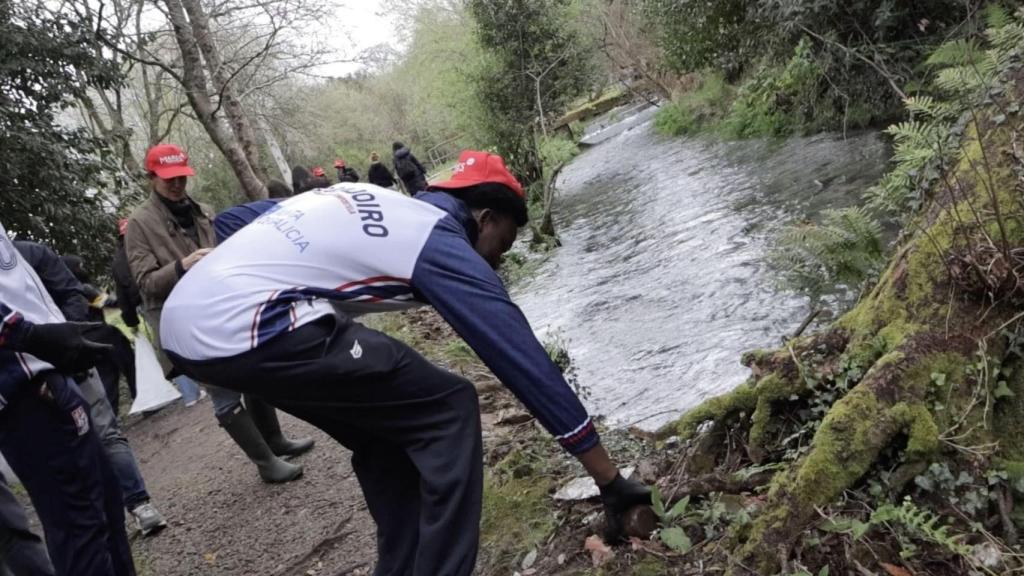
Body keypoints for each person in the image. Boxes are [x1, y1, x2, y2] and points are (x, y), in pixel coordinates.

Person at [159, 150, 650, 575]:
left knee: (384, 439)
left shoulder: (374, 200)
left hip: (189, 331)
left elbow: (228, 222)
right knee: (451, 406)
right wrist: (609, 479)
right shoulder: (437, 241)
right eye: (502, 246)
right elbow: (521, 360)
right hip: (251, 327)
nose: (496, 263)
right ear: (483, 219)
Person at [125, 143, 313, 484]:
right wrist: (182, 265)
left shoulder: (203, 210)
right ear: (151, 177)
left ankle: (274, 440)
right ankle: (265, 463)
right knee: (222, 389)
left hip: (220, 307)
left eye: (181, 176)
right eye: (169, 179)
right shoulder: (139, 224)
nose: (177, 184)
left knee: (251, 371)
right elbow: (146, 283)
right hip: (183, 322)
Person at [0, 222, 136, 576]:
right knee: (80, 526)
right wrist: (33, 336)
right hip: (25, 383)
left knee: (106, 507)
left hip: (49, 371)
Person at [14, 241, 166, 537]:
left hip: (73, 358)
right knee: (62, 451)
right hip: (27, 377)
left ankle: (139, 504)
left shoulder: (32, 254)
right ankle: (96, 523)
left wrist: (65, 341)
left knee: (106, 433)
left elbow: (76, 294)